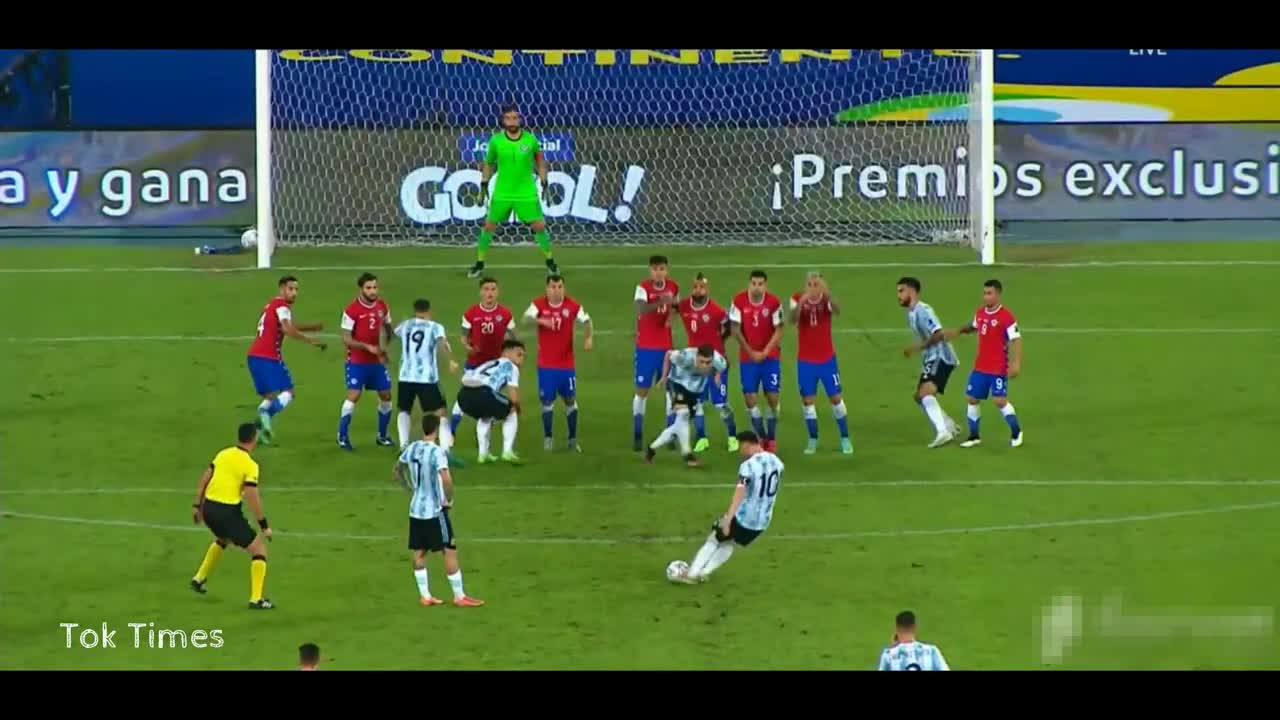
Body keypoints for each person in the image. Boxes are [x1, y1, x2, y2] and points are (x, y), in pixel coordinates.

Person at [395, 415, 485, 607]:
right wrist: (449, 499)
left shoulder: (412, 448)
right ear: (436, 430)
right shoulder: (437, 452)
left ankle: (425, 596)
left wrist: (408, 487)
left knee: (419, 552)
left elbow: (397, 469)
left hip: (415, 509)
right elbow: (446, 479)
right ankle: (459, 596)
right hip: (435, 511)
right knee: (449, 550)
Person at [674, 430, 783, 583]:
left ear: (747, 444)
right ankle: (704, 572)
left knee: (714, 539)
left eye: (741, 446)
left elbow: (740, 493)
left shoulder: (748, 466)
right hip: (763, 520)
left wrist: (728, 518)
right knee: (731, 543)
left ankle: (691, 574)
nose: (740, 451)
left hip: (745, 517)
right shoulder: (777, 462)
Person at [468, 104, 558, 279]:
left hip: (526, 191)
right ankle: (479, 263)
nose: (512, 121)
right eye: (508, 118)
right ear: (503, 120)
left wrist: (544, 179)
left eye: (515, 118)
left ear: (520, 120)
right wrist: (484, 183)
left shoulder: (530, 140)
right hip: (503, 191)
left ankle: (550, 262)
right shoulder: (496, 141)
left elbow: (540, 161)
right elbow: (488, 163)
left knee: (539, 226)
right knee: (488, 226)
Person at [189, 422, 273, 610]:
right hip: (227, 512)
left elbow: (206, 476)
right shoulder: (250, 465)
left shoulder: (223, 454)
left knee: (223, 538)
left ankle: (199, 579)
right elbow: (252, 496)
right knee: (259, 550)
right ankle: (256, 599)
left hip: (209, 508)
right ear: (254, 438)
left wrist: (197, 505)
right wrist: (264, 525)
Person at [245, 275, 326, 444]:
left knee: (270, 396)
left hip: (254, 356)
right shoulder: (282, 306)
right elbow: (288, 329)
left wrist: (311, 327)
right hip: (269, 357)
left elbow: (285, 325)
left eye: (296, 289)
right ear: (282, 289)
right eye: (291, 289)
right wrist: (310, 340)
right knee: (288, 392)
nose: (294, 293)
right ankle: (265, 417)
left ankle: (258, 433)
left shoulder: (271, 305)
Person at [946, 279, 1024, 448]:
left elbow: (1016, 339)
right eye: (984, 293)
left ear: (998, 295)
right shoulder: (980, 313)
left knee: (999, 401)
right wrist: (958, 331)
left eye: (989, 293)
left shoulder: (1006, 317)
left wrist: (1016, 364)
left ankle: (1016, 432)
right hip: (980, 366)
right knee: (971, 398)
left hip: (998, 367)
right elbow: (973, 326)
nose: (986, 297)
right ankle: (974, 436)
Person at [522, 275, 594, 452]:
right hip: (546, 365)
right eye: (553, 287)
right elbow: (525, 320)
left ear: (564, 288)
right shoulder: (539, 304)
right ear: (547, 289)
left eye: (560, 287)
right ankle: (548, 437)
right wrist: (541, 320)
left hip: (566, 364)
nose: (557, 290)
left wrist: (589, 338)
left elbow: (587, 321)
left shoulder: (572, 305)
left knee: (570, 399)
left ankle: (572, 438)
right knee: (547, 401)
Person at [790, 272, 852, 455]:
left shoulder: (826, 299)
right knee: (808, 401)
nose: (813, 287)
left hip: (827, 359)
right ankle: (813, 438)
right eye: (809, 284)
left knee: (836, 398)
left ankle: (845, 437)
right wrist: (802, 301)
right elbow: (792, 319)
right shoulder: (796, 298)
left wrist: (828, 293)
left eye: (816, 284)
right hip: (806, 361)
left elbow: (838, 310)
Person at [898, 277, 961, 448]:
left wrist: (917, 347)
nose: (898, 295)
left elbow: (938, 333)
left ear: (912, 291)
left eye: (901, 291)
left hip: (940, 356)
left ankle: (943, 432)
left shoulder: (923, 310)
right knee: (919, 396)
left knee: (925, 393)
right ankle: (949, 425)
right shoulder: (912, 313)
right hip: (931, 357)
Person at [676, 273, 736, 453]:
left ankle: (732, 437)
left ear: (707, 289)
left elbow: (729, 328)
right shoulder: (684, 305)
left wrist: (721, 349)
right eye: (695, 287)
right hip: (695, 364)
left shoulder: (716, 311)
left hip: (715, 362)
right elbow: (671, 308)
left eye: (701, 287)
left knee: (720, 403)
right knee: (697, 402)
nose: (698, 290)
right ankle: (702, 438)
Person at [392, 299, 460, 456]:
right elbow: (442, 344)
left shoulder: (406, 325)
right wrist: (450, 360)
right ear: (429, 310)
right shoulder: (435, 327)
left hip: (406, 376)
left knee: (404, 409)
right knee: (440, 412)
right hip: (426, 378)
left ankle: (403, 445)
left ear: (415, 310)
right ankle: (444, 450)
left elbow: (391, 333)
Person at [450, 277, 516, 437]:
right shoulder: (471, 313)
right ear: (480, 292)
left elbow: (512, 337)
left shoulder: (505, 314)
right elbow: (463, 336)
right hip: (474, 364)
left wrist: (509, 354)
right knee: (463, 399)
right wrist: (468, 347)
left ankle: (483, 442)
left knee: (489, 401)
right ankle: (451, 431)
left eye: (493, 289)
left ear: (497, 292)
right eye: (486, 289)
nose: (490, 293)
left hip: (495, 367)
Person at [644, 344, 728, 467]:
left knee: (680, 424)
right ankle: (687, 455)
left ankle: (652, 448)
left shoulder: (718, 361)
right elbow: (668, 354)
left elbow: (722, 368)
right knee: (683, 414)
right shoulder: (685, 357)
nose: (705, 365)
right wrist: (664, 377)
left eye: (708, 363)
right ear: (697, 357)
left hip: (694, 391)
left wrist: (717, 376)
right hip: (677, 384)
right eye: (702, 362)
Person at [337, 273, 394, 451]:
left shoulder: (382, 306)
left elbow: (388, 330)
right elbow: (346, 338)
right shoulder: (352, 310)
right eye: (368, 288)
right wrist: (366, 347)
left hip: (376, 362)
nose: (372, 291)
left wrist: (383, 348)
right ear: (361, 289)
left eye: (375, 287)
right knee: (354, 395)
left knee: (386, 395)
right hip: (356, 361)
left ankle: (382, 436)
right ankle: (342, 436)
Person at [729, 271, 784, 452]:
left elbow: (779, 330)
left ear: (765, 285)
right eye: (753, 283)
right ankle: (761, 436)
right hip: (748, 358)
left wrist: (766, 351)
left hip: (770, 358)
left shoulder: (774, 302)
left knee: (772, 397)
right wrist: (750, 351)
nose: (757, 287)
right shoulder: (738, 301)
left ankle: (773, 437)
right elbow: (735, 329)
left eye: (760, 284)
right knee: (750, 398)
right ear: (749, 284)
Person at [631, 255, 680, 451]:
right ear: (650, 271)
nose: (658, 272)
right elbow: (641, 309)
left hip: (666, 348)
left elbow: (676, 306)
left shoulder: (674, 286)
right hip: (645, 347)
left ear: (666, 270)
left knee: (670, 390)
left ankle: (669, 434)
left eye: (661, 269)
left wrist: (671, 317)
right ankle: (637, 433)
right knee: (642, 391)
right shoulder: (642, 287)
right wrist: (660, 300)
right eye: (655, 269)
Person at [456, 339, 526, 464]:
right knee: (512, 410)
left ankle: (483, 455)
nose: (521, 359)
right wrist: (518, 409)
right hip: (482, 392)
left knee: (486, 415)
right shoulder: (511, 366)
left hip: (463, 396)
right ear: (507, 353)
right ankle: (507, 452)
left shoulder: (490, 362)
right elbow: (514, 396)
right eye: (519, 354)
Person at [877, 611, 950, 670]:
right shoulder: (932, 651)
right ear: (915, 627)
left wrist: (894, 648)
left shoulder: (888, 655)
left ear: (896, 628)